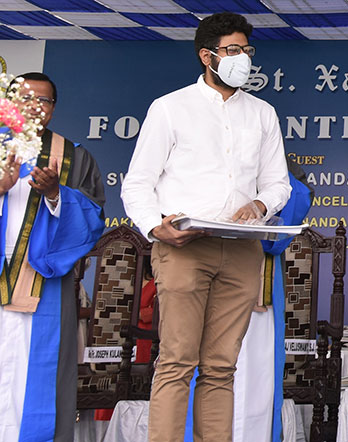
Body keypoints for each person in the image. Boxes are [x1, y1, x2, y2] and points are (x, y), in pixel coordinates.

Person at [122, 12, 292, 441]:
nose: (242, 59)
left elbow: (279, 183)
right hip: (184, 247)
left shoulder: (263, 113)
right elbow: (137, 183)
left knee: (221, 366)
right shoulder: (170, 108)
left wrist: (260, 203)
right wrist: (155, 228)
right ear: (206, 56)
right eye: (233, 50)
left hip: (241, 249)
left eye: (247, 51)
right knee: (177, 361)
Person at [0, 71, 104, 442]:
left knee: (39, 373)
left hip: (44, 283)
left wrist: (55, 194)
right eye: (25, 98)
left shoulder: (73, 157)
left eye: (43, 100)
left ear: (53, 108)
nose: (34, 107)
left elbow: (93, 217)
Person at [189, 160, 309, 441]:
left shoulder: (275, 163)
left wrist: (259, 203)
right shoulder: (199, 154)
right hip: (203, 267)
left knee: (254, 372)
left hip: (257, 281)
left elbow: (295, 199)